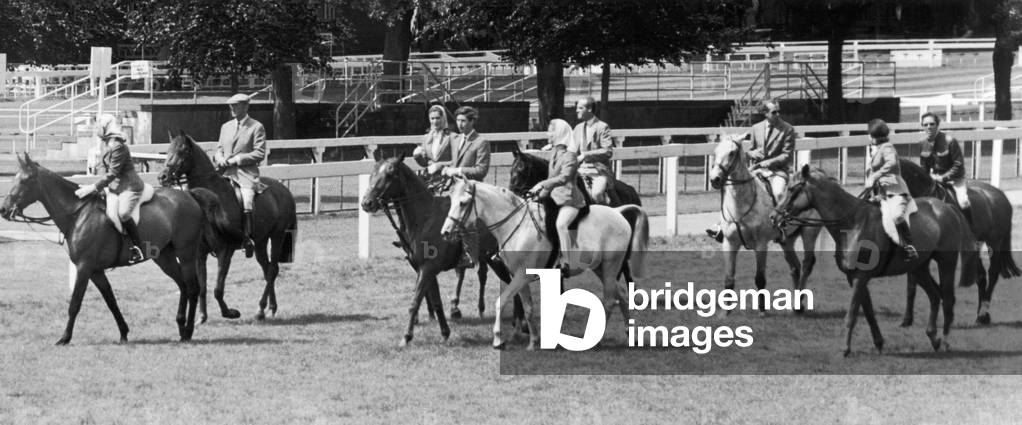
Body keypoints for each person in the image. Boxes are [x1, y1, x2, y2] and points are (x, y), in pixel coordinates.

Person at [706, 100, 796, 242]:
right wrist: (752, 153)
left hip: (777, 171)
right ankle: (721, 225)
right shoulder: (756, 128)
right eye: (774, 112)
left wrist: (769, 162)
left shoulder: (788, 129)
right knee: (731, 188)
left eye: (778, 111)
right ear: (765, 113)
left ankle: (782, 226)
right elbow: (751, 149)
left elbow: (786, 155)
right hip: (757, 169)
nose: (778, 114)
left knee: (778, 192)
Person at [74, 114, 146, 263]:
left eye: (99, 125)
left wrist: (94, 187)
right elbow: (102, 166)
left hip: (129, 187)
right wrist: (101, 187)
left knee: (123, 213)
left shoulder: (118, 145)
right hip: (114, 187)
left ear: (107, 127)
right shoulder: (105, 143)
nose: (97, 129)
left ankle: (138, 248)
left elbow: (113, 172)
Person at [528, 119, 585, 275]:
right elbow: (552, 175)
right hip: (553, 198)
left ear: (559, 134)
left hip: (570, 201)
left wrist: (541, 184)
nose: (548, 134)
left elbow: (564, 178)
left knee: (561, 224)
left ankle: (567, 262)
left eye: (551, 131)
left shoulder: (570, 156)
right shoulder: (554, 153)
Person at [215, 93, 266, 258]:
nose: (232, 108)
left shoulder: (256, 127)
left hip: (245, 174)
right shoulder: (225, 127)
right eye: (231, 106)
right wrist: (220, 158)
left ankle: (247, 238)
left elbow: (259, 153)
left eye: (236, 105)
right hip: (225, 173)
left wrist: (237, 159)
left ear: (246, 106)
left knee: (247, 198)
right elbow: (219, 148)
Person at [442, 106, 491, 268]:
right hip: (454, 188)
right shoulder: (456, 140)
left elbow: (481, 170)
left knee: (467, 223)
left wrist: (458, 170)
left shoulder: (481, 142)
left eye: (463, 121)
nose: (460, 124)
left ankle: (470, 256)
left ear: (472, 121)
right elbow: (453, 162)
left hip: (471, 190)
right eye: (458, 120)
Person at [865, 118, 918, 260]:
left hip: (896, 191)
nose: (868, 137)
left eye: (869, 134)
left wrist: (875, 175)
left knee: (896, 216)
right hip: (882, 193)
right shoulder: (877, 150)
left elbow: (892, 162)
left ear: (873, 135)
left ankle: (909, 246)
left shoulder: (887, 147)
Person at [918, 112, 970, 223]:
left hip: (955, 180)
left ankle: (971, 232)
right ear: (922, 126)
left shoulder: (950, 141)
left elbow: (958, 165)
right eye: (925, 124)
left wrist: (943, 178)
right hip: (934, 180)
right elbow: (923, 168)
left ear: (937, 125)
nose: (929, 127)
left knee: (963, 202)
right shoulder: (922, 143)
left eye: (932, 124)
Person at [572, 96, 616, 205]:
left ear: (590, 109)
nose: (576, 110)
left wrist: (585, 155)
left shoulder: (602, 127)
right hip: (579, 171)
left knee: (596, 194)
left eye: (580, 108)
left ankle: (604, 215)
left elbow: (607, 151)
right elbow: (571, 148)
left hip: (599, 172)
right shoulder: (577, 128)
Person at [413, 104, 454, 175]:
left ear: (443, 118)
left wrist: (439, 165)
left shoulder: (451, 136)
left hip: (448, 176)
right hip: (431, 177)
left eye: (438, 118)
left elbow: (456, 161)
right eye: (432, 118)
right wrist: (417, 156)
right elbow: (425, 163)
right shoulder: (427, 137)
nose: (435, 121)